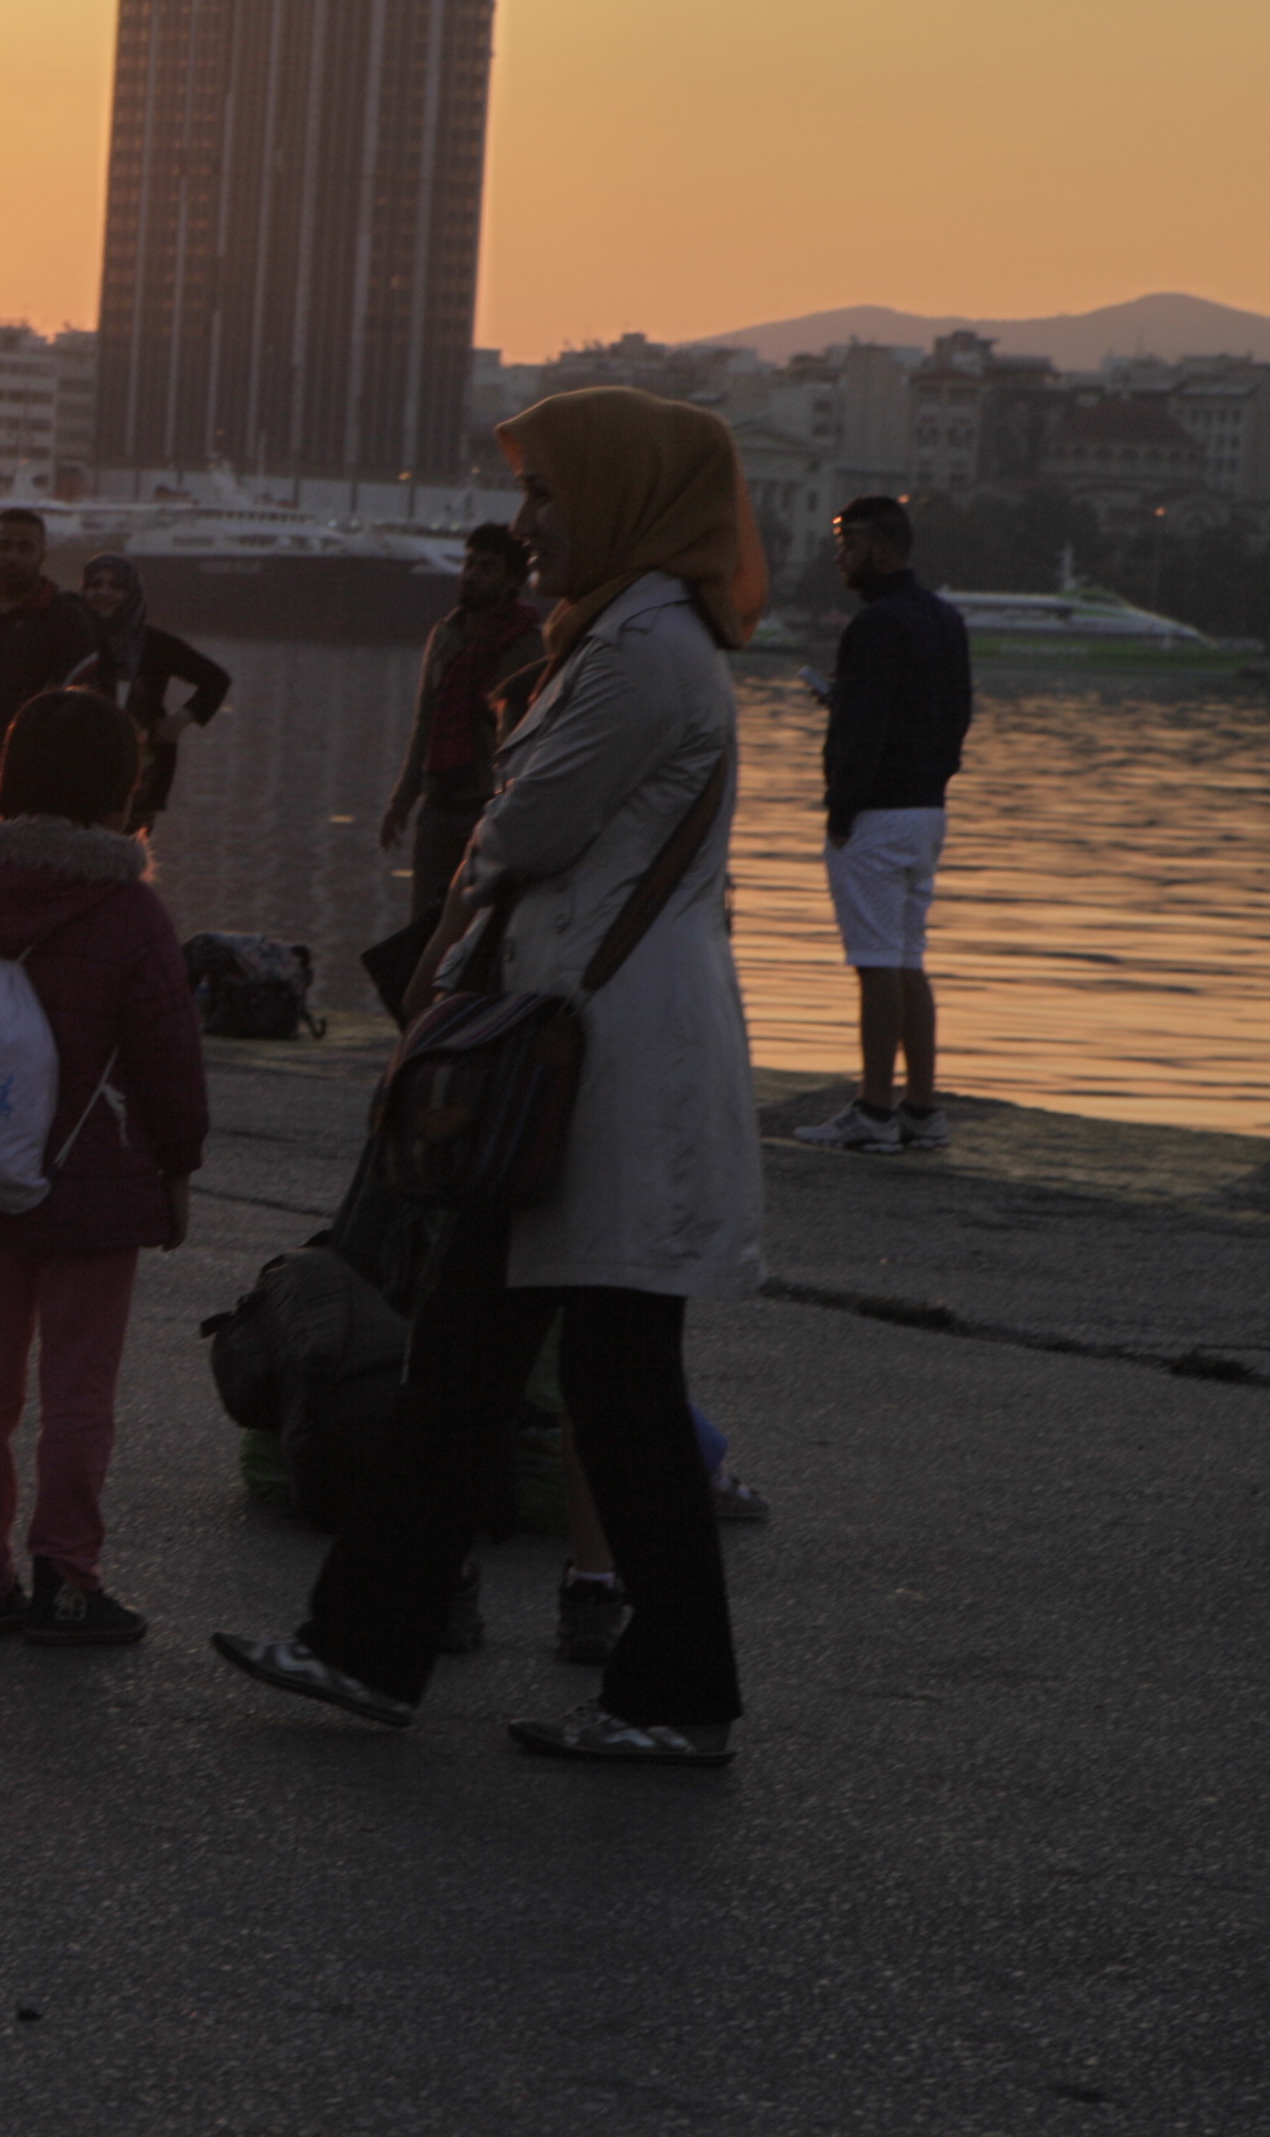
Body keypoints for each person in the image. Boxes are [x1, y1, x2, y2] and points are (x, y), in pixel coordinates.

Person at [215, 386, 767, 1765]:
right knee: (468, 1369)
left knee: (613, 1383)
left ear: (627, 502)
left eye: (547, 498)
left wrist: (456, 928)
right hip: (574, 1053)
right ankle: (368, 1651)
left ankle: (674, 1691)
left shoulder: (643, 651)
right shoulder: (618, 637)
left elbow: (523, 824)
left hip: (601, 1065)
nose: (526, 528)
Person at [0, 692, 206, 1646]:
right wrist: (179, 1167)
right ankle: (69, 1578)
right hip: (95, 1186)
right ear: (114, 783)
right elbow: (168, 1058)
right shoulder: (130, 911)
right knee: (78, 1390)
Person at [793, 494, 974, 1154]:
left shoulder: (872, 627)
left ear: (886, 546)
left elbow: (864, 731)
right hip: (927, 810)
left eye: (850, 541)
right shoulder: (945, 619)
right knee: (907, 960)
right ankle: (922, 1110)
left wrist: (842, 811)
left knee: (874, 964)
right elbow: (954, 717)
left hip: (874, 814)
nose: (840, 554)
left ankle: (873, 1112)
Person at [379, 523, 546, 932]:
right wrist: (402, 801)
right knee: (424, 930)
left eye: (486, 568)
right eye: (469, 563)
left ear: (511, 581)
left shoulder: (526, 645)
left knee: (479, 933)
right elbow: (427, 721)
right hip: (439, 806)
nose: (471, 575)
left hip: (488, 812)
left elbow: (527, 741)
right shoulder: (446, 635)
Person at [0, 510, 101, 819]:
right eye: (4, 545)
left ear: (42, 555)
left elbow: (82, 700)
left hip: (38, 779)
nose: (12, 556)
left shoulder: (66, 616)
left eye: (25, 548)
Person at [65, 552, 231, 835]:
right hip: (76, 770)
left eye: (116, 586)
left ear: (132, 593)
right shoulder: (71, 640)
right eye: (96, 584)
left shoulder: (153, 644)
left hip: (141, 771)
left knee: (123, 861)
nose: (104, 592)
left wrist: (178, 722)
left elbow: (216, 680)